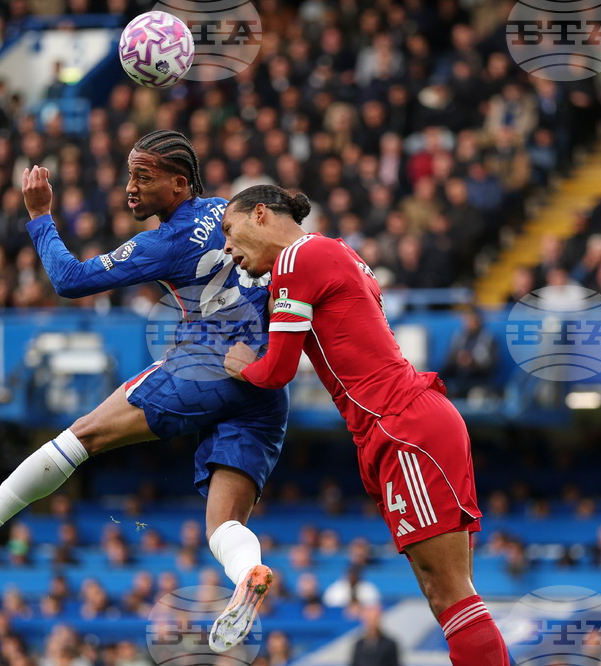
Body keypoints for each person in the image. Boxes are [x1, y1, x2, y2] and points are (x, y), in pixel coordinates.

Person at [0, 131, 285, 653]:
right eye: (130, 175)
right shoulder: (230, 211)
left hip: (206, 365)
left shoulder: (166, 242)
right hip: (265, 380)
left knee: (81, 436)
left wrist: (40, 217)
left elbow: (68, 279)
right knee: (224, 525)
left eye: (143, 177)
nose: (129, 188)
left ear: (179, 184)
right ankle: (249, 573)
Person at [221, 184, 509, 666]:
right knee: (446, 597)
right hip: (398, 425)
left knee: (451, 591)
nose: (227, 247)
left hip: (401, 426)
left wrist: (242, 365)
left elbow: (277, 371)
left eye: (230, 231)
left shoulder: (297, 258)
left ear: (260, 215)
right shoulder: (336, 253)